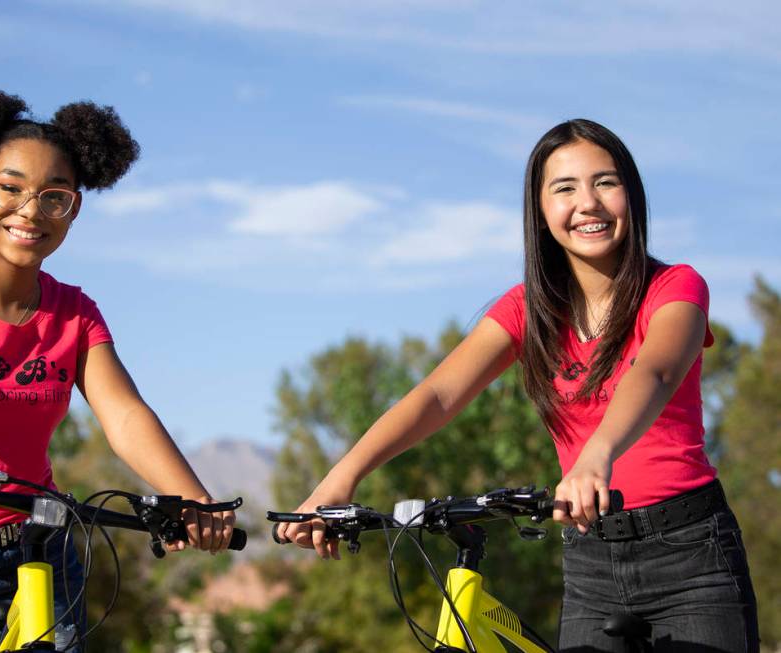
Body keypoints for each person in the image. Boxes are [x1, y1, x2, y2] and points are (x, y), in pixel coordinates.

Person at [276, 119, 758, 651]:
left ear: (632, 196)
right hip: (590, 560)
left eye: (606, 182)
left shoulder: (675, 287)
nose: (589, 204)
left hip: (692, 555)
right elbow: (438, 395)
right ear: (540, 209)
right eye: (565, 188)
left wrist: (596, 456)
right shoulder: (528, 309)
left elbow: (657, 371)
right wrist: (339, 481)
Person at [0, 85, 235, 653]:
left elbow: (125, 416)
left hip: (43, 551)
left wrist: (194, 501)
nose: (30, 211)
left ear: (72, 210)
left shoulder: (74, 313)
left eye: (54, 197)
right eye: (10, 188)